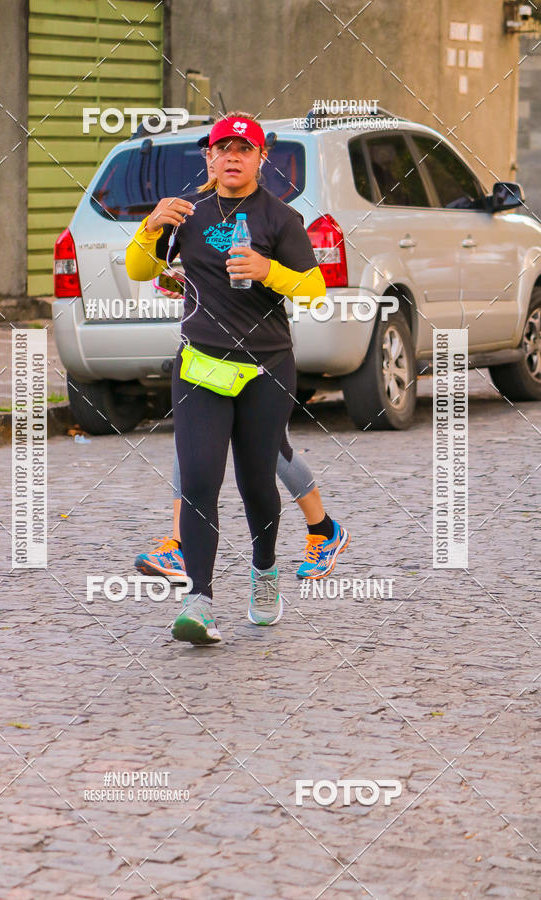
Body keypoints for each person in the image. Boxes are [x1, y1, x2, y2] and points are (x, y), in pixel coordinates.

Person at [126, 111, 334, 645]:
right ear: (209, 158)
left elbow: (314, 291)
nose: (233, 157)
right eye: (224, 149)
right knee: (197, 480)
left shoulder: (280, 219)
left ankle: (265, 572)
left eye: (245, 150)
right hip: (201, 363)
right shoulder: (186, 212)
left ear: (261, 159)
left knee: (257, 484)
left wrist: (270, 272)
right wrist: (149, 228)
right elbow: (139, 271)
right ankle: (200, 600)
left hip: (267, 368)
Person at [134, 432, 350, 581]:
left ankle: (325, 531)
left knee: (271, 446)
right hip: (210, 368)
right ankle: (181, 546)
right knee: (189, 439)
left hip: (263, 370)